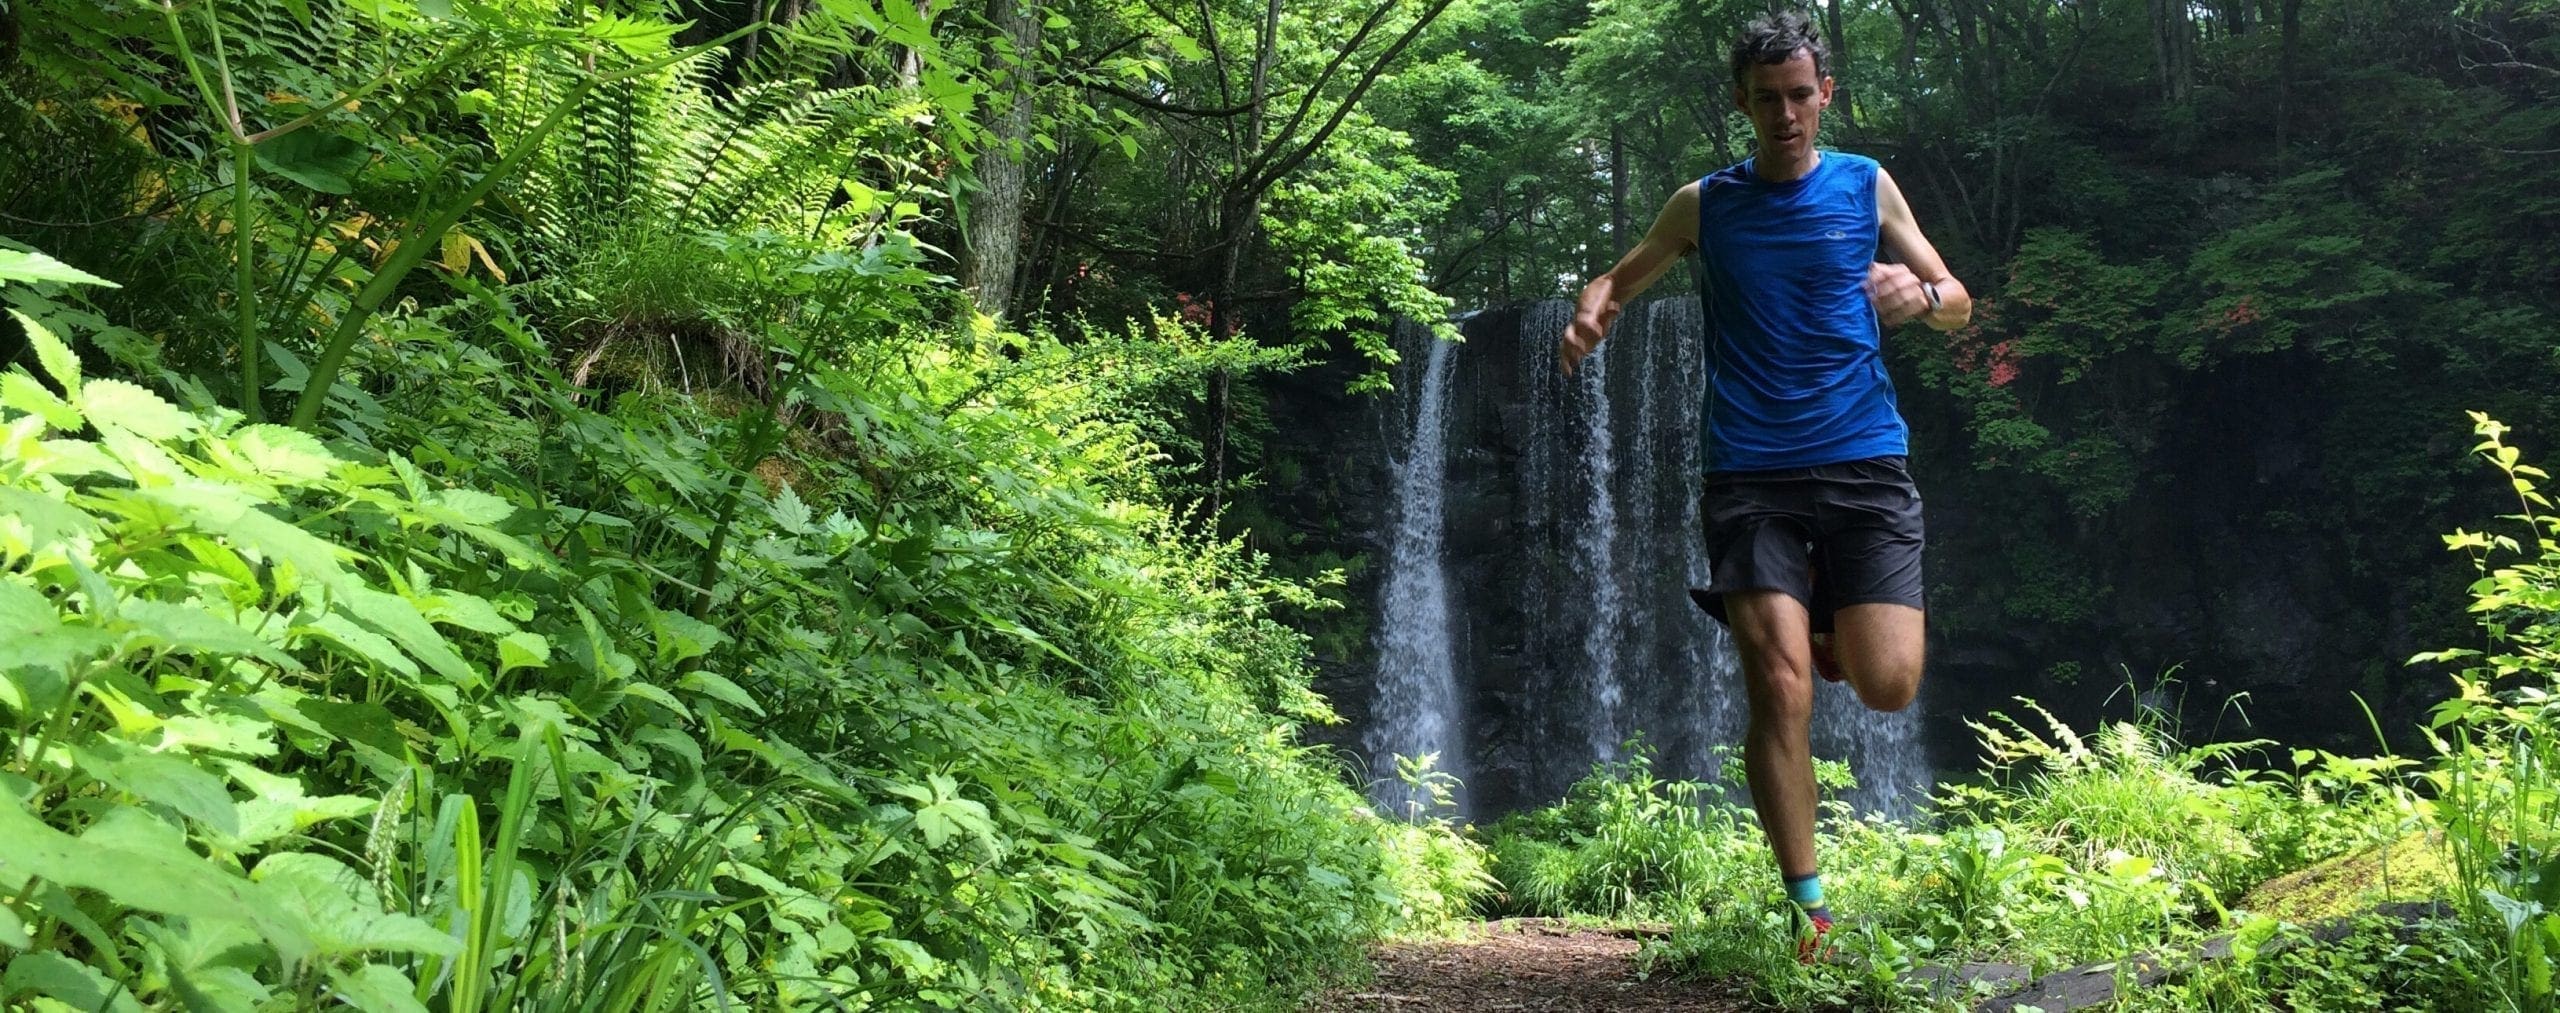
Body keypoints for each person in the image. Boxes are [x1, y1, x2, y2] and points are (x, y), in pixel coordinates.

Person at [1555, 9, 1973, 962]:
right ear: (1741, 105)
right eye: (1765, 99)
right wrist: (1592, 311)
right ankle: (1808, 905)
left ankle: (1826, 616)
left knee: (1888, 684)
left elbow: (1956, 298)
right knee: (1779, 687)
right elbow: (1617, 280)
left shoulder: (1867, 185)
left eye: (1798, 96)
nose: (1784, 114)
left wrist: (1922, 298)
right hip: (1749, 471)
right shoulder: (1702, 205)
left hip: (1864, 459)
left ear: (1825, 95)